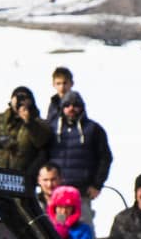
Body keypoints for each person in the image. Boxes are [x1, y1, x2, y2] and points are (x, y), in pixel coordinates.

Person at [47, 91, 112, 219]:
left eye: (75, 105)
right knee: (54, 233)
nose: (71, 108)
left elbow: (105, 158)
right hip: (55, 194)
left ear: (82, 107)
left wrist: (97, 185)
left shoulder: (94, 129)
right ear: (62, 108)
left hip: (81, 194)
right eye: (67, 105)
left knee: (82, 231)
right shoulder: (51, 129)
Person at [0, 86, 50, 178]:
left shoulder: (39, 123)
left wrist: (29, 122)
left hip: (22, 175)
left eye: (24, 98)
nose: (21, 101)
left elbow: (41, 142)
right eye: (18, 98)